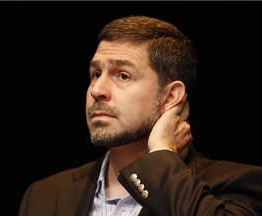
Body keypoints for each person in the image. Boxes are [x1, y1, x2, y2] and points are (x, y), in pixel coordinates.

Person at [18, 15, 262, 216]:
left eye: (123, 75)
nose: (97, 90)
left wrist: (162, 154)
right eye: (95, 74)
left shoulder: (237, 185)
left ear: (170, 97)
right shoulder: (44, 195)